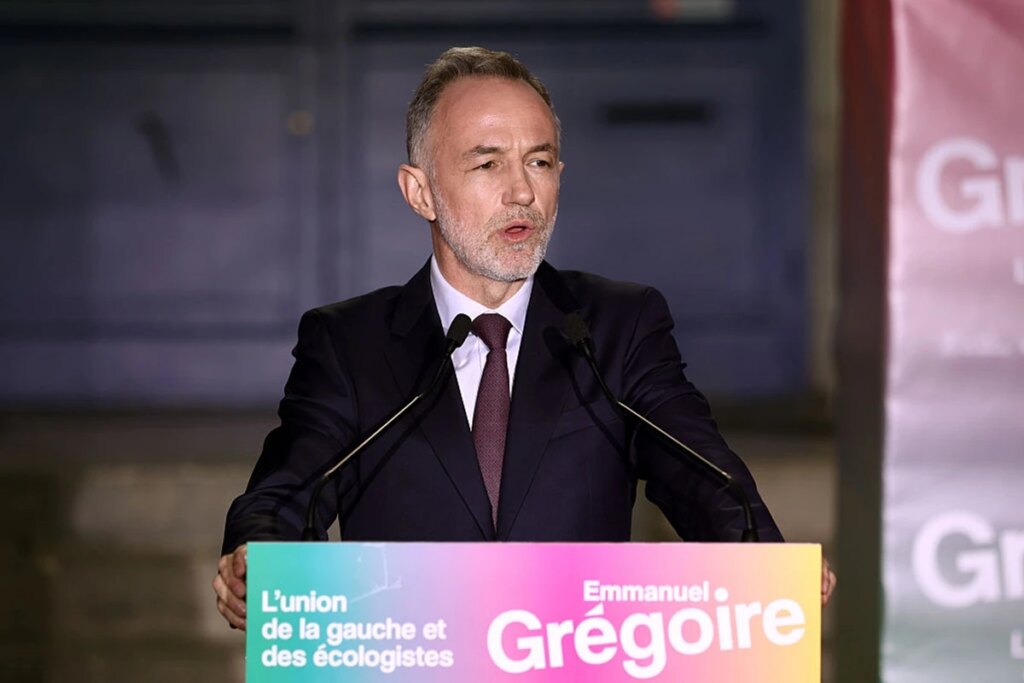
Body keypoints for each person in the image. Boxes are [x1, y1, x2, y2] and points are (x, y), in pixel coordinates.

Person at [213, 46, 836, 630]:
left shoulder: (617, 326)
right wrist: (258, 558)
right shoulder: (350, 344)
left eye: (538, 162)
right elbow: (286, 492)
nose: (522, 192)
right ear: (420, 191)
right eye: (488, 164)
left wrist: (762, 558)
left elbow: (700, 473)